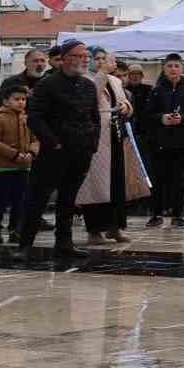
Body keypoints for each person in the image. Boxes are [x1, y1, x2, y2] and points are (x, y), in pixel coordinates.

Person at [20, 39, 100, 258]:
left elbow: (94, 117)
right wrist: (53, 142)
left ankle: (64, 243)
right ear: (65, 59)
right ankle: (25, 244)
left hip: (81, 151)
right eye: (80, 56)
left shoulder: (88, 85)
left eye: (86, 56)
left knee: (68, 199)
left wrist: (92, 144)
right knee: (38, 198)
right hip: (54, 152)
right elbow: (35, 118)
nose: (85, 60)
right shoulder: (48, 84)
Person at [78, 48, 137, 245]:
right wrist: (103, 73)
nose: (101, 62)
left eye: (104, 58)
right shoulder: (85, 79)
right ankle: (94, 230)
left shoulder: (115, 81)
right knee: (95, 185)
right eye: (97, 58)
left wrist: (126, 107)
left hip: (115, 135)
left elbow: (125, 101)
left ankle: (115, 227)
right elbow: (91, 99)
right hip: (96, 138)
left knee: (116, 183)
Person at [145, 55, 184, 228]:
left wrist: (183, 119)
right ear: (164, 68)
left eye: (176, 66)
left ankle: (177, 214)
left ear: (182, 68)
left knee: (179, 180)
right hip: (159, 142)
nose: (173, 69)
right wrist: (162, 118)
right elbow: (148, 115)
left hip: (182, 142)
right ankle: (156, 213)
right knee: (158, 179)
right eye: (169, 66)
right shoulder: (157, 90)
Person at [0, 83, 33, 244]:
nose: (21, 102)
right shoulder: (0, 118)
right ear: (6, 101)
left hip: (23, 166)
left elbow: (35, 139)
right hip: (4, 166)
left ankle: (15, 228)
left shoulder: (26, 118)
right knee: (2, 199)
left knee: (20, 199)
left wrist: (31, 153)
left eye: (23, 99)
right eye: (16, 99)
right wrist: (14, 154)